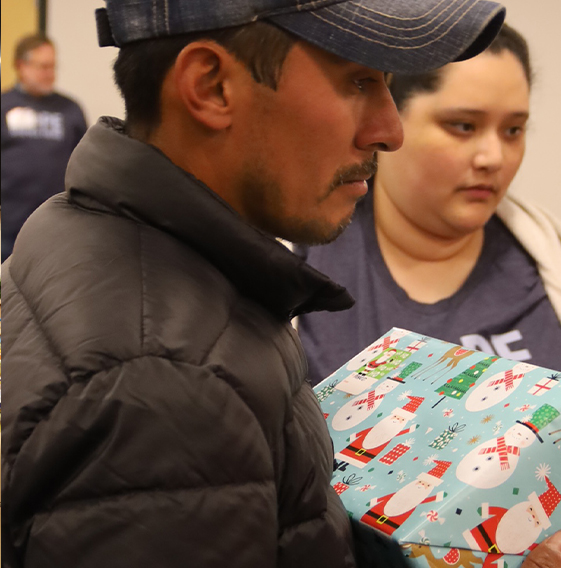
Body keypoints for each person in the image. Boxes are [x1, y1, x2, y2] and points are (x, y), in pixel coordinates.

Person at [0, 1, 512, 567]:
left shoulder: (88, 229)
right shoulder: (170, 380)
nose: (389, 131)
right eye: (359, 81)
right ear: (212, 86)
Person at [296, 24, 561, 482]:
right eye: (463, 126)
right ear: (391, 122)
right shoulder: (300, 261)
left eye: (513, 130)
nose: (493, 156)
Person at [1, 34, 87, 261]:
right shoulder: (3, 106)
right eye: (43, 67)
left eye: (53, 66)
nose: (50, 74)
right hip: (9, 228)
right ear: (21, 66)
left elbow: (84, 163)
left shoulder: (70, 109)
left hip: (57, 226)